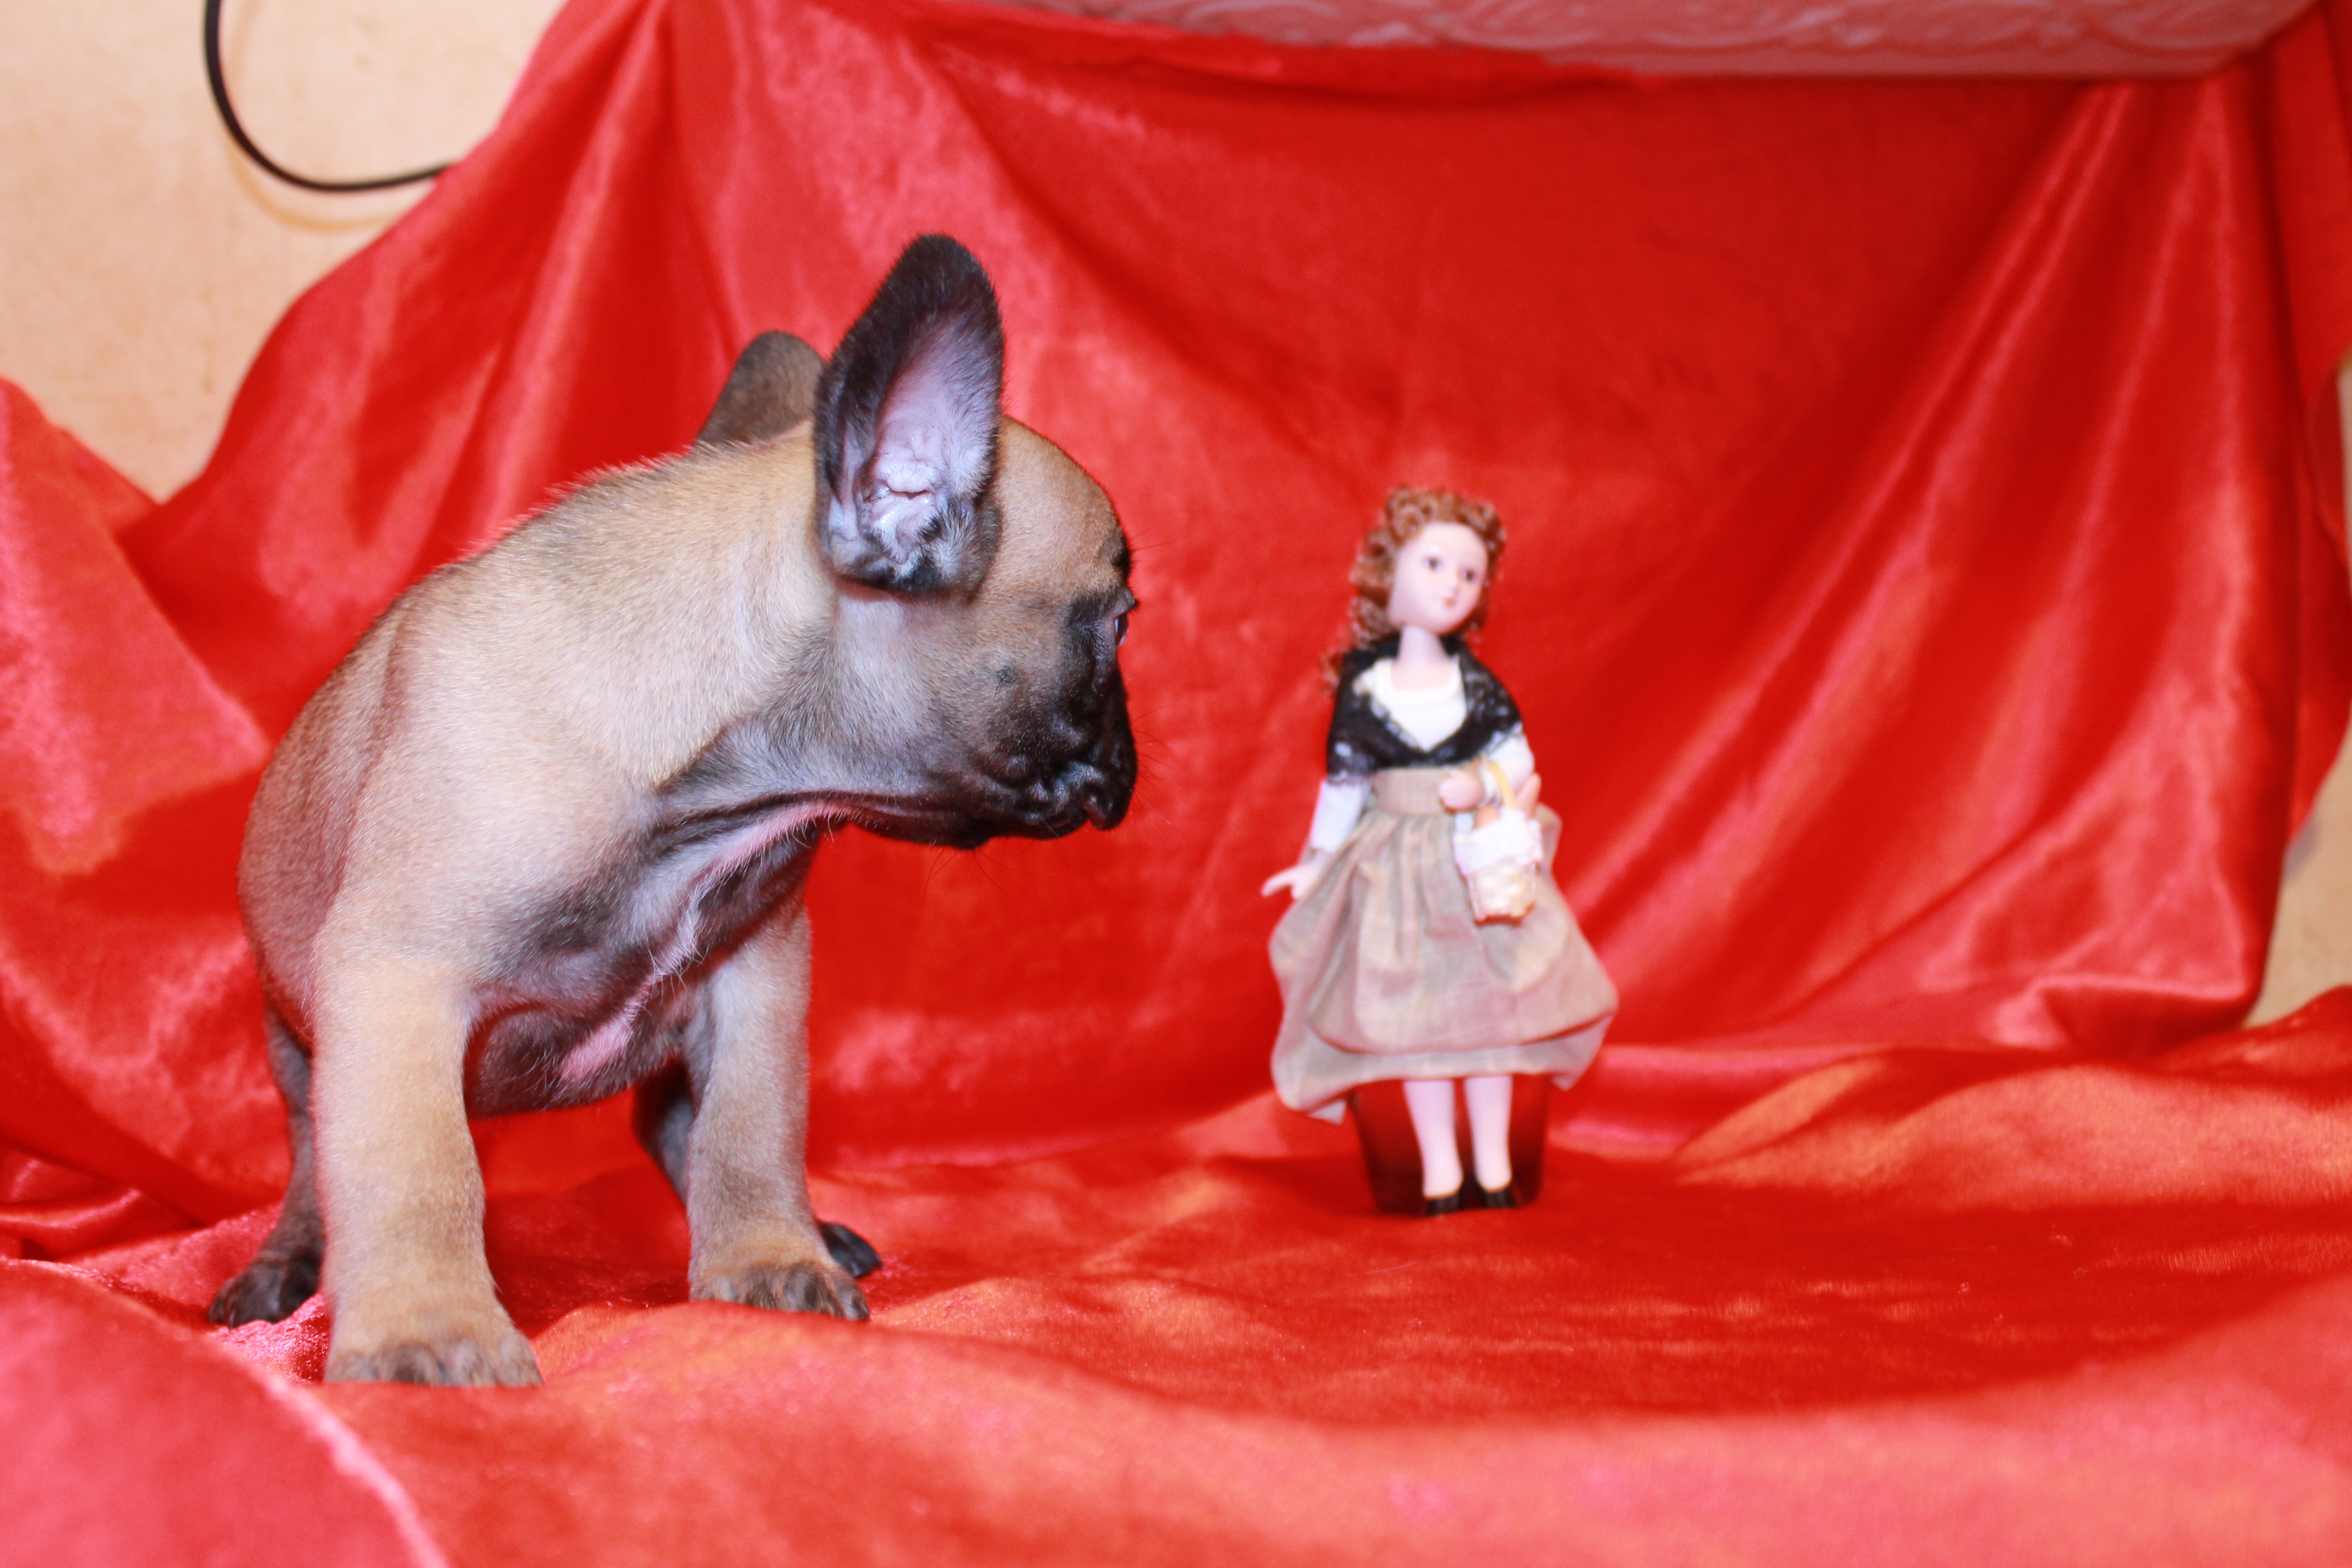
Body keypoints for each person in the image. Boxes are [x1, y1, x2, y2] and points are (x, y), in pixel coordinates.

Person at [1261, 486, 1617, 1214]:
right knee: (1413, 1036)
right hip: (1393, 873)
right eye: (1434, 564)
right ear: (1387, 570)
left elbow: (1517, 761)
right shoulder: (1365, 687)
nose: (1453, 584)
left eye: (1470, 574)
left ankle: (1495, 1166)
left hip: (1474, 868)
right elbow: (1344, 785)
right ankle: (1439, 1175)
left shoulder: (1476, 686)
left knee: (1493, 1030)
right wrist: (1317, 862)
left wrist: (1480, 783)